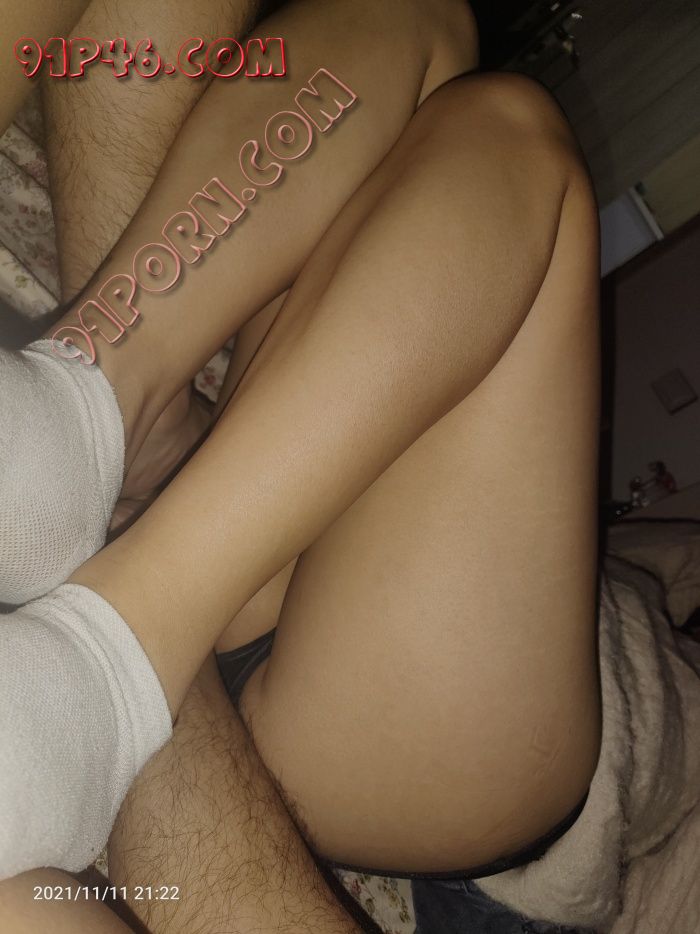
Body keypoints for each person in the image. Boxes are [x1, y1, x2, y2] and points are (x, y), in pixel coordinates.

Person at [0, 0, 602, 931]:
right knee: (449, 57)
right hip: (266, 560)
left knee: (500, 117)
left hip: (399, 765)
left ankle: (112, 633)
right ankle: (96, 397)